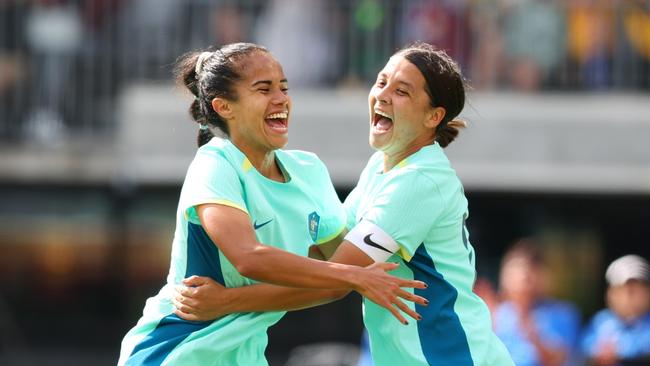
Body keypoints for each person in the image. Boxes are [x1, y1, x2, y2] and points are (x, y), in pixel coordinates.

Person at [175, 42, 514, 366]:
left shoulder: (419, 181)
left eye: (402, 91)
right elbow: (327, 262)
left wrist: (227, 300)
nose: (382, 94)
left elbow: (335, 278)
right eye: (382, 82)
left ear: (433, 117)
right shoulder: (381, 166)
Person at [117, 42, 426, 366]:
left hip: (245, 357)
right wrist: (353, 275)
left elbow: (331, 284)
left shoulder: (309, 172)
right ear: (224, 107)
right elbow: (248, 258)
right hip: (173, 352)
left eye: (284, 87)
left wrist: (228, 301)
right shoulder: (216, 162)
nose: (281, 99)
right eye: (263, 89)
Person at [492, 239, 581, 366]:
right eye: (516, 268)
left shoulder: (563, 313)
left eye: (531, 268)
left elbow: (560, 359)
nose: (523, 275)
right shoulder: (494, 314)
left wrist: (535, 338)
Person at [581, 254, 650, 366]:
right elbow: (585, 351)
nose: (628, 297)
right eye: (622, 290)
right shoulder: (600, 322)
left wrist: (618, 354)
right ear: (610, 293)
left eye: (635, 290)